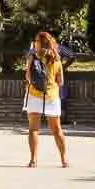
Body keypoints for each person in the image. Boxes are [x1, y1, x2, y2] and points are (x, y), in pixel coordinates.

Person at [23, 30, 68, 168]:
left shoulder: (32, 57)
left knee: (33, 129)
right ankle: (63, 160)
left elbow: (28, 77)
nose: (34, 42)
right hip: (51, 96)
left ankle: (33, 160)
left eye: (36, 40)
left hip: (35, 95)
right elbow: (60, 81)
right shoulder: (56, 59)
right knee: (57, 129)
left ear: (40, 43)